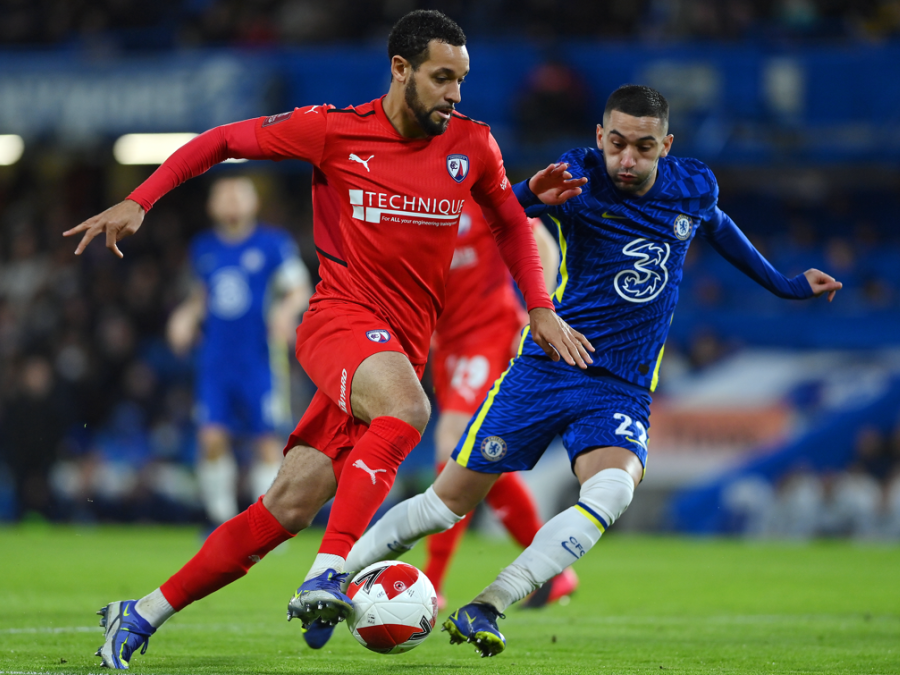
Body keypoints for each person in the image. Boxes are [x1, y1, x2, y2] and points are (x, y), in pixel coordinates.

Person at [64, 10, 592, 669]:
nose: (455, 92)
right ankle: (329, 571)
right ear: (400, 70)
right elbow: (223, 139)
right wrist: (142, 198)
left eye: (460, 79)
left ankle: (139, 613)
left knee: (283, 506)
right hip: (338, 321)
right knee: (409, 411)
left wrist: (538, 306)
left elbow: (511, 225)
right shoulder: (334, 131)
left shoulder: (472, 145)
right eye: (440, 78)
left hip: (396, 349)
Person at [339, 84, 843, 657]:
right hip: (546, 369)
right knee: (444, 502)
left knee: (613, 488)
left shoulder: (692, 187)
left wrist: (784, 284)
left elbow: (718, 225)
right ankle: (332, 577)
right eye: (619, 144)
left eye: (645, 148)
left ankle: (489, 603)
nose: (628, 160)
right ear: (600, 137)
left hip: (621, 386)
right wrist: (531, 192)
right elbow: (496, 213)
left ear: (666, 146)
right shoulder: (576, 178)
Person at [425, 198, 578, 609]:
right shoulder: (418, 204)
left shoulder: (482, 198)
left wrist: (537, 314)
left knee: (452, 443)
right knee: (480, 458)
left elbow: (542, 243)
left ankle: (430, 583)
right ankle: (556, 572)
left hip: (491, 334)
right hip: (448, 344)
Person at [167, 176, 310, 526]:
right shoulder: (203, 247)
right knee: (211, 438)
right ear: (211, 206)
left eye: (238, 195)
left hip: (260, 359)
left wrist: (285, 311)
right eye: (223, 195)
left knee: (266, 440)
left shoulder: (273, 244)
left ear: (253, 203)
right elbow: (204, 295)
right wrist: (185, 317)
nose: (231, 201)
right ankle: (222, 523)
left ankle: (266, 525)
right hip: (216, 361)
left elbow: (299, 288)